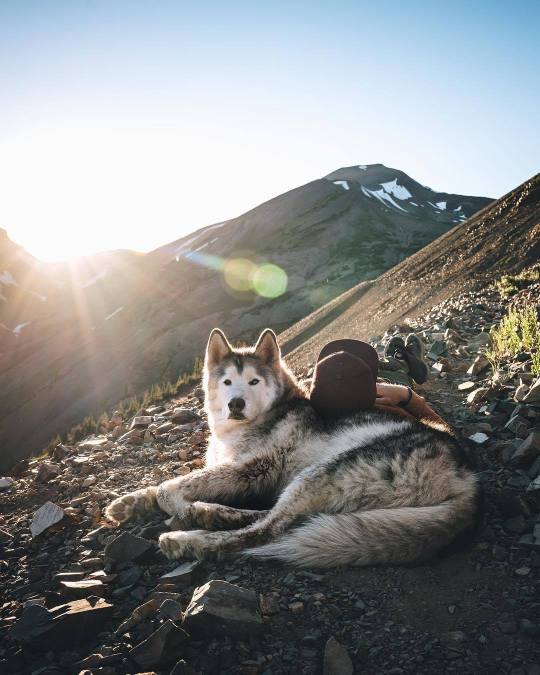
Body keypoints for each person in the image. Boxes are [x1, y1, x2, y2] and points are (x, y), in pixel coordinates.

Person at [309, 335, 451, 434]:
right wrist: (407, 396)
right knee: (396, 373)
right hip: (387, 388)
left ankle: (393, 359)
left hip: (367, 387)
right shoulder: (389, 413)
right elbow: (446, 438)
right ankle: (404, 361)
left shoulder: (307, 414)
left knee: (380, 369)